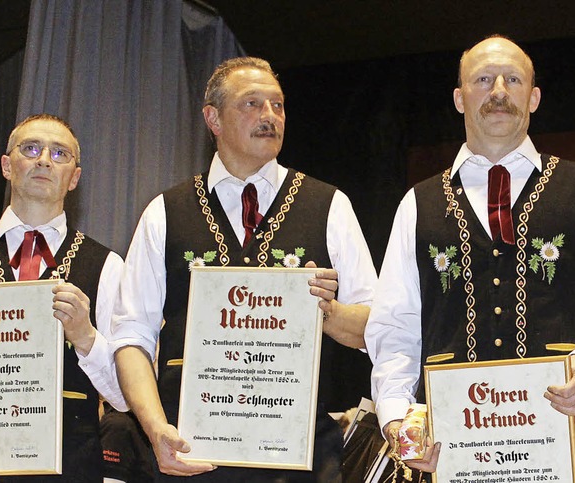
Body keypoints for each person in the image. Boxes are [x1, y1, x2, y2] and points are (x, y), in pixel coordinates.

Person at [111, 56, 377, 481]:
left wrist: (328, 313)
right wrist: (155, 427)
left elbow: (376, 327)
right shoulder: (165, 212)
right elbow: (130, 337)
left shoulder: (328, 205)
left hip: (301, 458)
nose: (269, 116)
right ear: (212, 118)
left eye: (278, 105)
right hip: (192, 457)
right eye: (251, 104)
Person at [365, 34, 575, 479]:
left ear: (534, 98)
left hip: (567, 443)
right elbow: (394, 328)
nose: (499, 92)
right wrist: (396, 419)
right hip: (454, 446)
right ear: (458, 98)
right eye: (483, 79)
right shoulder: (418, 203)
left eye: (513, 79)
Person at [0, 113, 128, 482]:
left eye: (60, 153)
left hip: (72, 468)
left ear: (75, 178)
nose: (44, 160)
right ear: (6, 165)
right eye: (30, 148)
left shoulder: (107, 265)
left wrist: (86, 338)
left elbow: (125, 398)